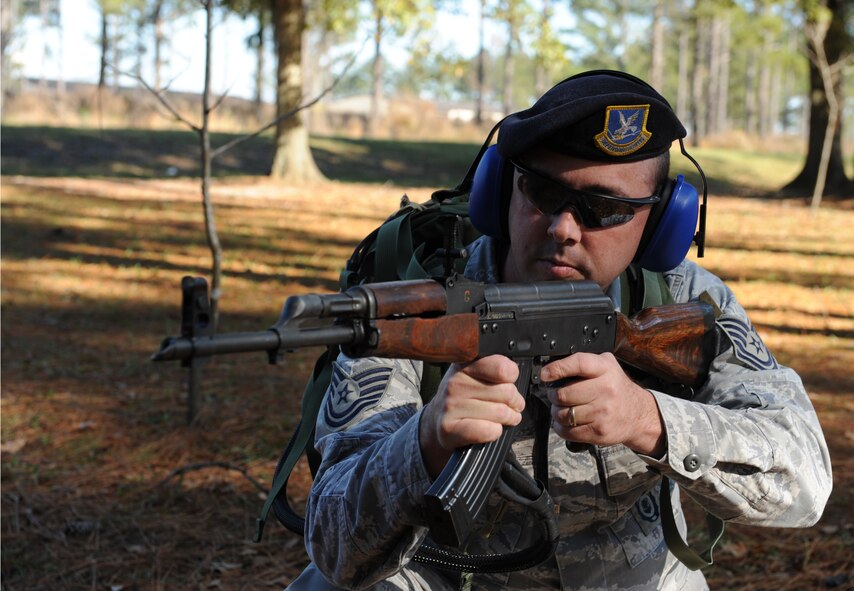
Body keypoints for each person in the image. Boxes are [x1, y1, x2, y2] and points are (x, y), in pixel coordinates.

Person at [285, 71, 832, 590]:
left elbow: (806, 482)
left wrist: (650, 420)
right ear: (502, 188)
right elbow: (333, 547)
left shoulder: (685, 300)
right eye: (543, 193)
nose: (564, 229)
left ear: (661, 222)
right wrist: (424, 441)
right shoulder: (416, 309)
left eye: (605, 208)